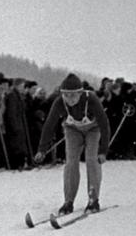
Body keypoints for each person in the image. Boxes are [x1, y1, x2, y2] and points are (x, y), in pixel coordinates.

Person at [34, 73, 110, 214]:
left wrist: (103, 151)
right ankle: (68, 201)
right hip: (72, 130)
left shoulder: (91, 99)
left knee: (91, 160)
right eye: (66, 95)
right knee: (71, 162)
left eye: (73, 95)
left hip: (93, 129)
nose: (69, 99)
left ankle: (93, 199)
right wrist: (42, 149)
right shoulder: (59, 102)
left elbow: (104, 124)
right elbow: (49, 125)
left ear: (80, 93)